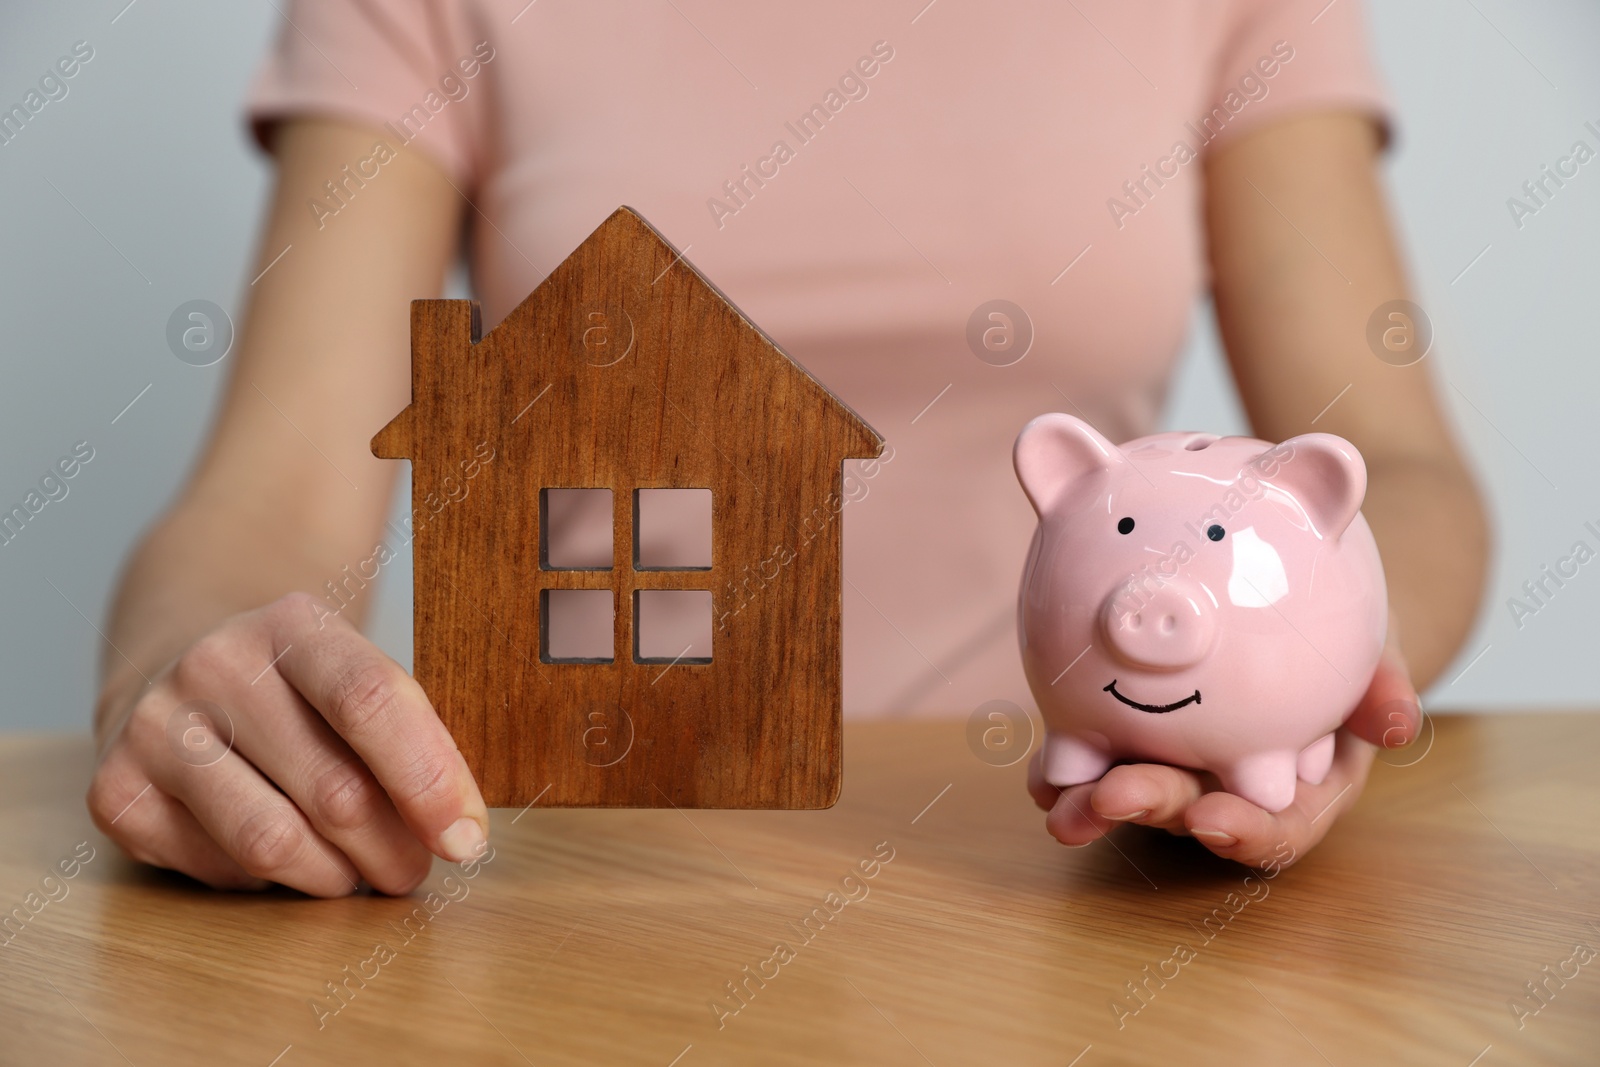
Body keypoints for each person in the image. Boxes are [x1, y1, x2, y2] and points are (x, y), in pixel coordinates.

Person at [86, 0, 1488, 895]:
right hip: (613, 868)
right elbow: (267, 500)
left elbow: (1395, 478)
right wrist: (192, 680)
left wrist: (1322, 676)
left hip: (1053, 865)